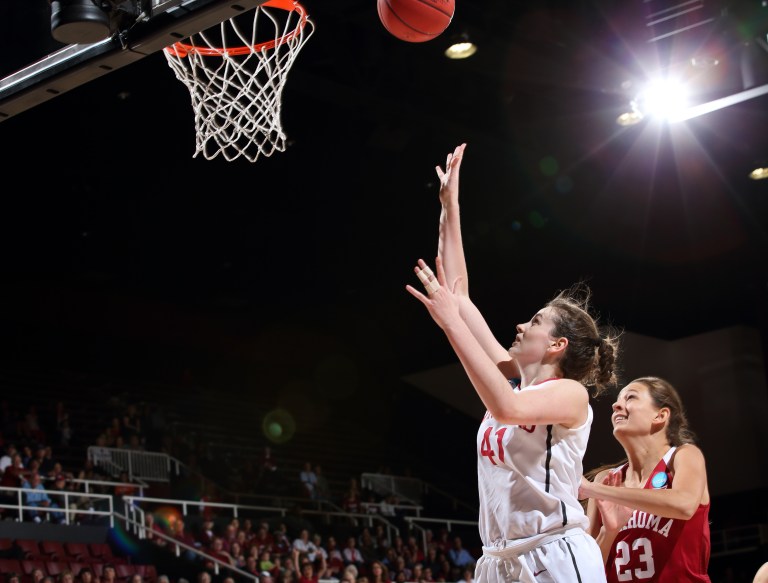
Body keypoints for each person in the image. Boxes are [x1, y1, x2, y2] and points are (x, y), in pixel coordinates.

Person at [405, 143, 619, 582]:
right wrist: (451, 207)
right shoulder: (516, 381)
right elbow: (460, 294)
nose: (521, 324)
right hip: (499, 561)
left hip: (553, 554)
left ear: (558, 345)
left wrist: (451, 326)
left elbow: (507, 409)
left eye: (536, 321)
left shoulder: (570, 395)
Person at [579, 376, 711, 582]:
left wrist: (594, 490)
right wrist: (610, 532)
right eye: (618, 400)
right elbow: (586, 571)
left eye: (630, 397)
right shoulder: (605, 479)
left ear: (660, 415)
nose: (616, 405)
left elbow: (684, 504)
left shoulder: (683, 456)